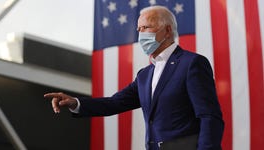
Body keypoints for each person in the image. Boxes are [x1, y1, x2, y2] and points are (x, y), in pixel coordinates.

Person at [44, 6, 224, 150]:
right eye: (139, 29)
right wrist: (75, 102)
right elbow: (114, 103)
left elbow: (209, 116)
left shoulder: (191, 64)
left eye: (146, 28)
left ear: (167, 30)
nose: (141, 34)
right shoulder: (145, 75)